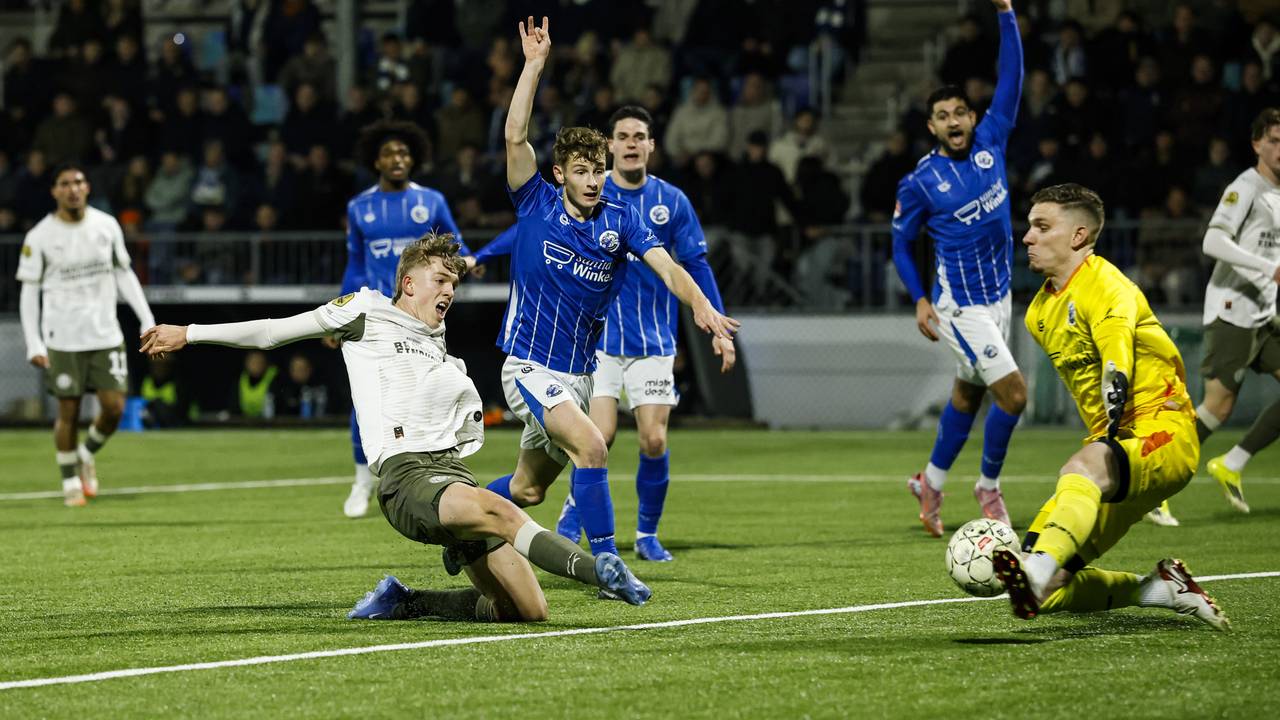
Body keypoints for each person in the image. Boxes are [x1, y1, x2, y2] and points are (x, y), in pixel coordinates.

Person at [140, 234, 652, 621]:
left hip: (452, 475)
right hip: (407, 480)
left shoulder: (437, 342)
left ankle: (407, 600)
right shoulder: (365, 312)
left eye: (453, 282)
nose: (449, 289)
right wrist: (189, 332)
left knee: (527, 612)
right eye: (440, 280)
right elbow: (274, 332)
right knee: (502, 509)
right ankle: (598, 569)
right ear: (409, 283)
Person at [484, 17, 738, 572]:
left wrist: (701, 305)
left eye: (598, 169)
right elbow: (514, 136)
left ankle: (462, 518)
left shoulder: (621, 221)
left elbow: (669, 265)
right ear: (560, 174)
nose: (595, 178)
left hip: (576, 373)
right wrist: (533, 67)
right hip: (527, 364)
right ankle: (606, 562)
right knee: (596, 445)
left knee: (528, 491)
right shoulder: (536, 203)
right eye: (583, 170)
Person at [991, 183, 1227, 631]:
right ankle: (1160, 587)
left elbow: (1115, 349)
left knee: (1080, 469)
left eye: (1042, 227)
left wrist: (1112, 402)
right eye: (1028, 226)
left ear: (1078, 236)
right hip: (1118, 452)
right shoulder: (1039, 312)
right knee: (1048, 593)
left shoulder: (1108, 285)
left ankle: (1036, 567)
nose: (1027, 237)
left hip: (1165, 432)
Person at [891, 0, 1024, 537]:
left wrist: (1007, 13)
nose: (954, 122)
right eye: (943, 116)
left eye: (961, 113)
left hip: (999, 296)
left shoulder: (992, 143)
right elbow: (900, 246)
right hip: (960, 305)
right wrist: (921, 299)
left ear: (973, 118)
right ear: (932, 126)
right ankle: (988, 486)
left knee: (967, 395)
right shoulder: (920, 182)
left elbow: (1012, 75)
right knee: (1013, 395)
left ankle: (931, 482)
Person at [338, 119, 479, 519]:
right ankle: (362, 480)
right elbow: (355, 265)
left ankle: (431, 473)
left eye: (403, 152)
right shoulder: (359, 207)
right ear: (375, 161)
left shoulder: (430, 201)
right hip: (379, 317)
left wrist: (464, 262)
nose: (397, 159)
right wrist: (341, 312)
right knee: (366, 399)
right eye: (389, 153)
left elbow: (456, 245)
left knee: (429, 393)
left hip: (422, 321)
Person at [16, 163, 156, 507]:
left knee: (113, 408)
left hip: (105, 333)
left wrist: (146, 319)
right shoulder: (40, 236)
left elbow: (124, 274)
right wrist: (33, 341)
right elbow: (29, 293)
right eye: (65, 184)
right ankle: (70, 484)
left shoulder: (106, 226)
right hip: (62, 337)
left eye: (78, 182)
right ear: (54, 191)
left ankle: (85, 453)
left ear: (88, 187)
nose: (73, 189)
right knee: (69, 411)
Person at [1192, 108, 1280, 515]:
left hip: (1264, 312)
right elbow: (1212, 240)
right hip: (1232, 308)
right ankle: (1149, 481)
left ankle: (1232, 464)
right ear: (1257, 144)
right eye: (1275, 141)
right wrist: (1269, 269)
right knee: (1217, 408)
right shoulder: (1245, 187)